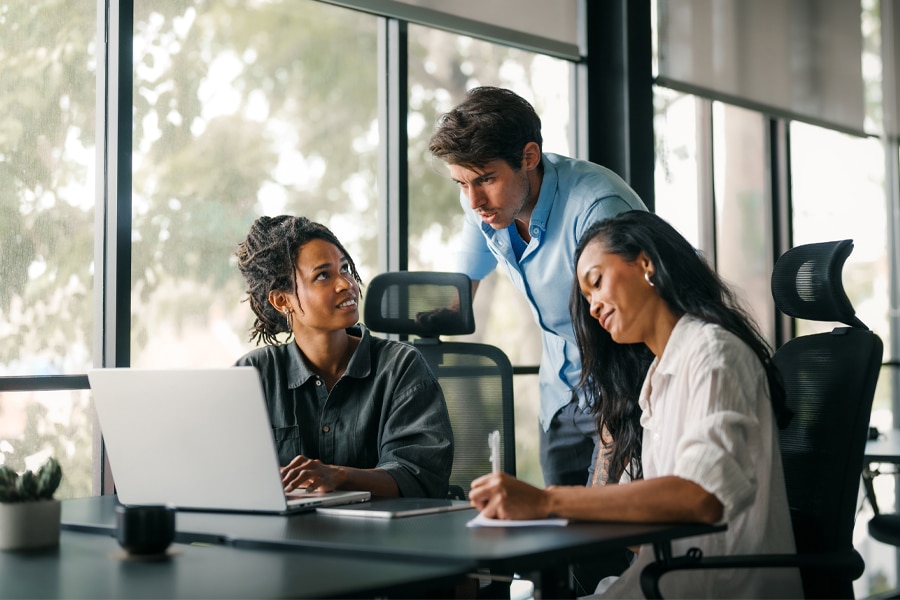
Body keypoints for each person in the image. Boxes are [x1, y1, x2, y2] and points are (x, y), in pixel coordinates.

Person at [468, 211, 802, 598]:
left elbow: (700, 498)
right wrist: (528, 522)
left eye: (596, 282)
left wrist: (546, 502)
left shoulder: (714, 354)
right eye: (587, 298)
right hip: (664, 582)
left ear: (646, 264)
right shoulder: (657, 378)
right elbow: (638, 533)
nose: (593, 307)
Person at [429, 86, 648, 488]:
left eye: (485, 179)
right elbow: (463, 288)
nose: (474, 199)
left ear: (529, 157)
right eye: (461, 183)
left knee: (610, 536)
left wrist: (615, 429)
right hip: (559, 396)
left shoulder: (599, 208)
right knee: (560, 539)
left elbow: (635, 334)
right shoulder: (483, 204)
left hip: (622, 389)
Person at [234, 215, 454, 499]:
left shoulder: (400, 368)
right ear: (282, 300)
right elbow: (224, 471)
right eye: (323, 275)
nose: (346, 284)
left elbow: (420, 476)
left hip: (381, 540)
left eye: (345, 268)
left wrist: (339, 477)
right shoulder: (253, 374)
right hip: (284, 536)